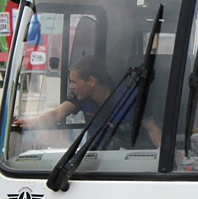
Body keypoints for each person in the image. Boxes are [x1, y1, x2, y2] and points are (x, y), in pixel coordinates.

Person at [16, 55, 161, 147]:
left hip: (132, 158)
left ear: (91, 81)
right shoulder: (81, 97)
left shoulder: (131, 97)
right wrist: (34, 122)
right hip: (97, 158)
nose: (71, 86)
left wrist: (163, 159)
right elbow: (56, 114)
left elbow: (153, 130)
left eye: (74, 82)